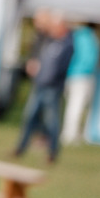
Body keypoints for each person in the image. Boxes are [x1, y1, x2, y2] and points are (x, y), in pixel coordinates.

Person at [13, 12, 75, 163]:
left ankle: (52, 153)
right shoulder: (49, 40)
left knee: (52, 121)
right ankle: (20, 148)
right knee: (29, 118)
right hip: (40, 85)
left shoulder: (67, 45)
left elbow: (61, 68)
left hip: (53, 88)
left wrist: (50, 79)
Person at [61, 22, 100, 145]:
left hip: (70, 74)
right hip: (82, 76)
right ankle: (70, 134)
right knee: (76, 106)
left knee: (71, 105)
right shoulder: (89, 38)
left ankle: (69, 132)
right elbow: (89, 60)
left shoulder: (74, 36)